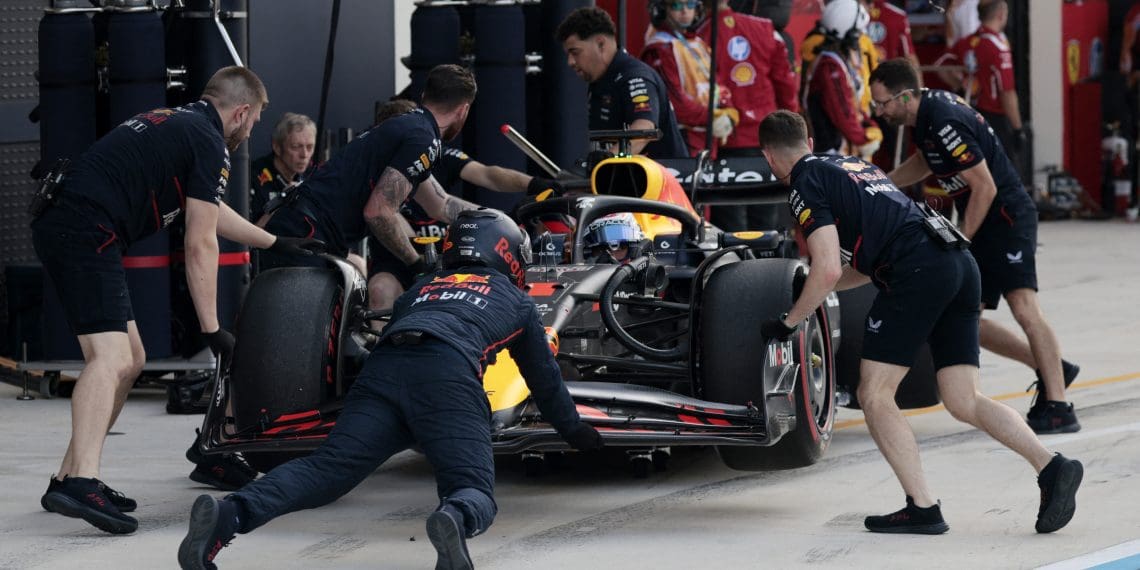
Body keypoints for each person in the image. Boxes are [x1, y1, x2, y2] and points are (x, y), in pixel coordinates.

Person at [178, 208, 603, 570]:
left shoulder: (418, 290)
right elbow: (543, 378)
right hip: (447, 375)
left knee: (326, 470)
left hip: (383, 371)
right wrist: (575, 432)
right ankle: (454, 516)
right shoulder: (519, 302)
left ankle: (230, 514)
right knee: (472, 488)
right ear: (508, 254)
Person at [757, 109, 1083, 535]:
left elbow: (828, 267)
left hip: (917, 270)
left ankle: (923, 507)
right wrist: (817, 287)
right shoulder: (851, 164)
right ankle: (1052, 466)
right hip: (957, 260)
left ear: (768, 156)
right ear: (810, 142)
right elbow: (853, 269)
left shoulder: (804, 182)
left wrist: (789, 321)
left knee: (874, 393)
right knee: (964, 399)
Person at [31, 66, 323, 535]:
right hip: (84, 228)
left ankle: (68, 477)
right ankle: (82, 480)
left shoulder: (182, 122)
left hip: (75, 223)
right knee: (109, 358)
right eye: (252, 123)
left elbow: (210, 207)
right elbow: (200, 241)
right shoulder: (208, 140)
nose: (250, 134)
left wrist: (273, 242)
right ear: (241, 112)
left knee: (132, 358)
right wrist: (211, 328)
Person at [869, 59, 1080, 434]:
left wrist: (961, 242)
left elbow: (985, 186)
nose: (879, 112)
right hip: (982, 221)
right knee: (964, 315)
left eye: (882, 103)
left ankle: (1060, 406)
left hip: (1006, 219)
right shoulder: (926, 118)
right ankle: (1052, 367)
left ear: (904, 96)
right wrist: (884, 182)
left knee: (1024, 307)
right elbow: (925, 161)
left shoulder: (944, 120)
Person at [258, 64, 484, 280]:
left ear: (424, 95)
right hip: (305, 231)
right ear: (463, 110)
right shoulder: (422, 138)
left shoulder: (412, 128)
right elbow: (378, 213)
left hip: (311, 231)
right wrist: (415, 262)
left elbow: (440, 204)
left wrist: (494, 219)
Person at [366, 99, 564, 312]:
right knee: (380, 290)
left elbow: (485, 176)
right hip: (396, 261)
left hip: (450, 255)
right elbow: (392, 220)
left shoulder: (430, 154)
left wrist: (531, 186)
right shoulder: (373, 169)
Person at [699, 0, 799, 232]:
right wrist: (789, 126)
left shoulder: (699, 37)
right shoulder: (766, 28)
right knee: (766, 223)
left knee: (732, 228)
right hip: (768, 139)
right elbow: (786, 85)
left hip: (726, 143)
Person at [557, 6, 689, 159]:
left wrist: (607, 161)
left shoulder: (635, 76)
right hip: (626, 172)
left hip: (662, 172)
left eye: (575, 52)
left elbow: (644, 131)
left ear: (601, 44)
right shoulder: (601, 79)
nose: (570, 62)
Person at [640, 0, 739, 156]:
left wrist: (729, 110)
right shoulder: (659, 48)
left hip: (706, 139)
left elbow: (716, 84)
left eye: (690, 5)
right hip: (681, 139)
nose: (685, 11)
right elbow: (675, 104)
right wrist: (713, 117)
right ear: (661, 9)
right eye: (676, 6)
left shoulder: (698, 43)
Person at [945, 0, 1025, 168]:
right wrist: (1018, 128)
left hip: (968, 113)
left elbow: (941, 66)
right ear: (1001, 14)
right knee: (1005, 174)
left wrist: (959, 87)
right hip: (994, 117)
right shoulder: (998, 46)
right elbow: (1007, 92)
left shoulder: (967, 42)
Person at [802, 0, 881, 160]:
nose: (860, 37)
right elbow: (842, 111)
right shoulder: (830, 66)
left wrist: (869, 125)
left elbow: (853, 103)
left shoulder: (839, 60)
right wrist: (863, 138)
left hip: (842, 150)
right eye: (858, 32)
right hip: (830, 153)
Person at [248, 112, 316, 223]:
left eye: (310, 147)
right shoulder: (252, 177)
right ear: (277, 147)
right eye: (296, 147)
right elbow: (245, 232)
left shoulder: (312, 176)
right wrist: (282, 200)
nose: (304, 155)